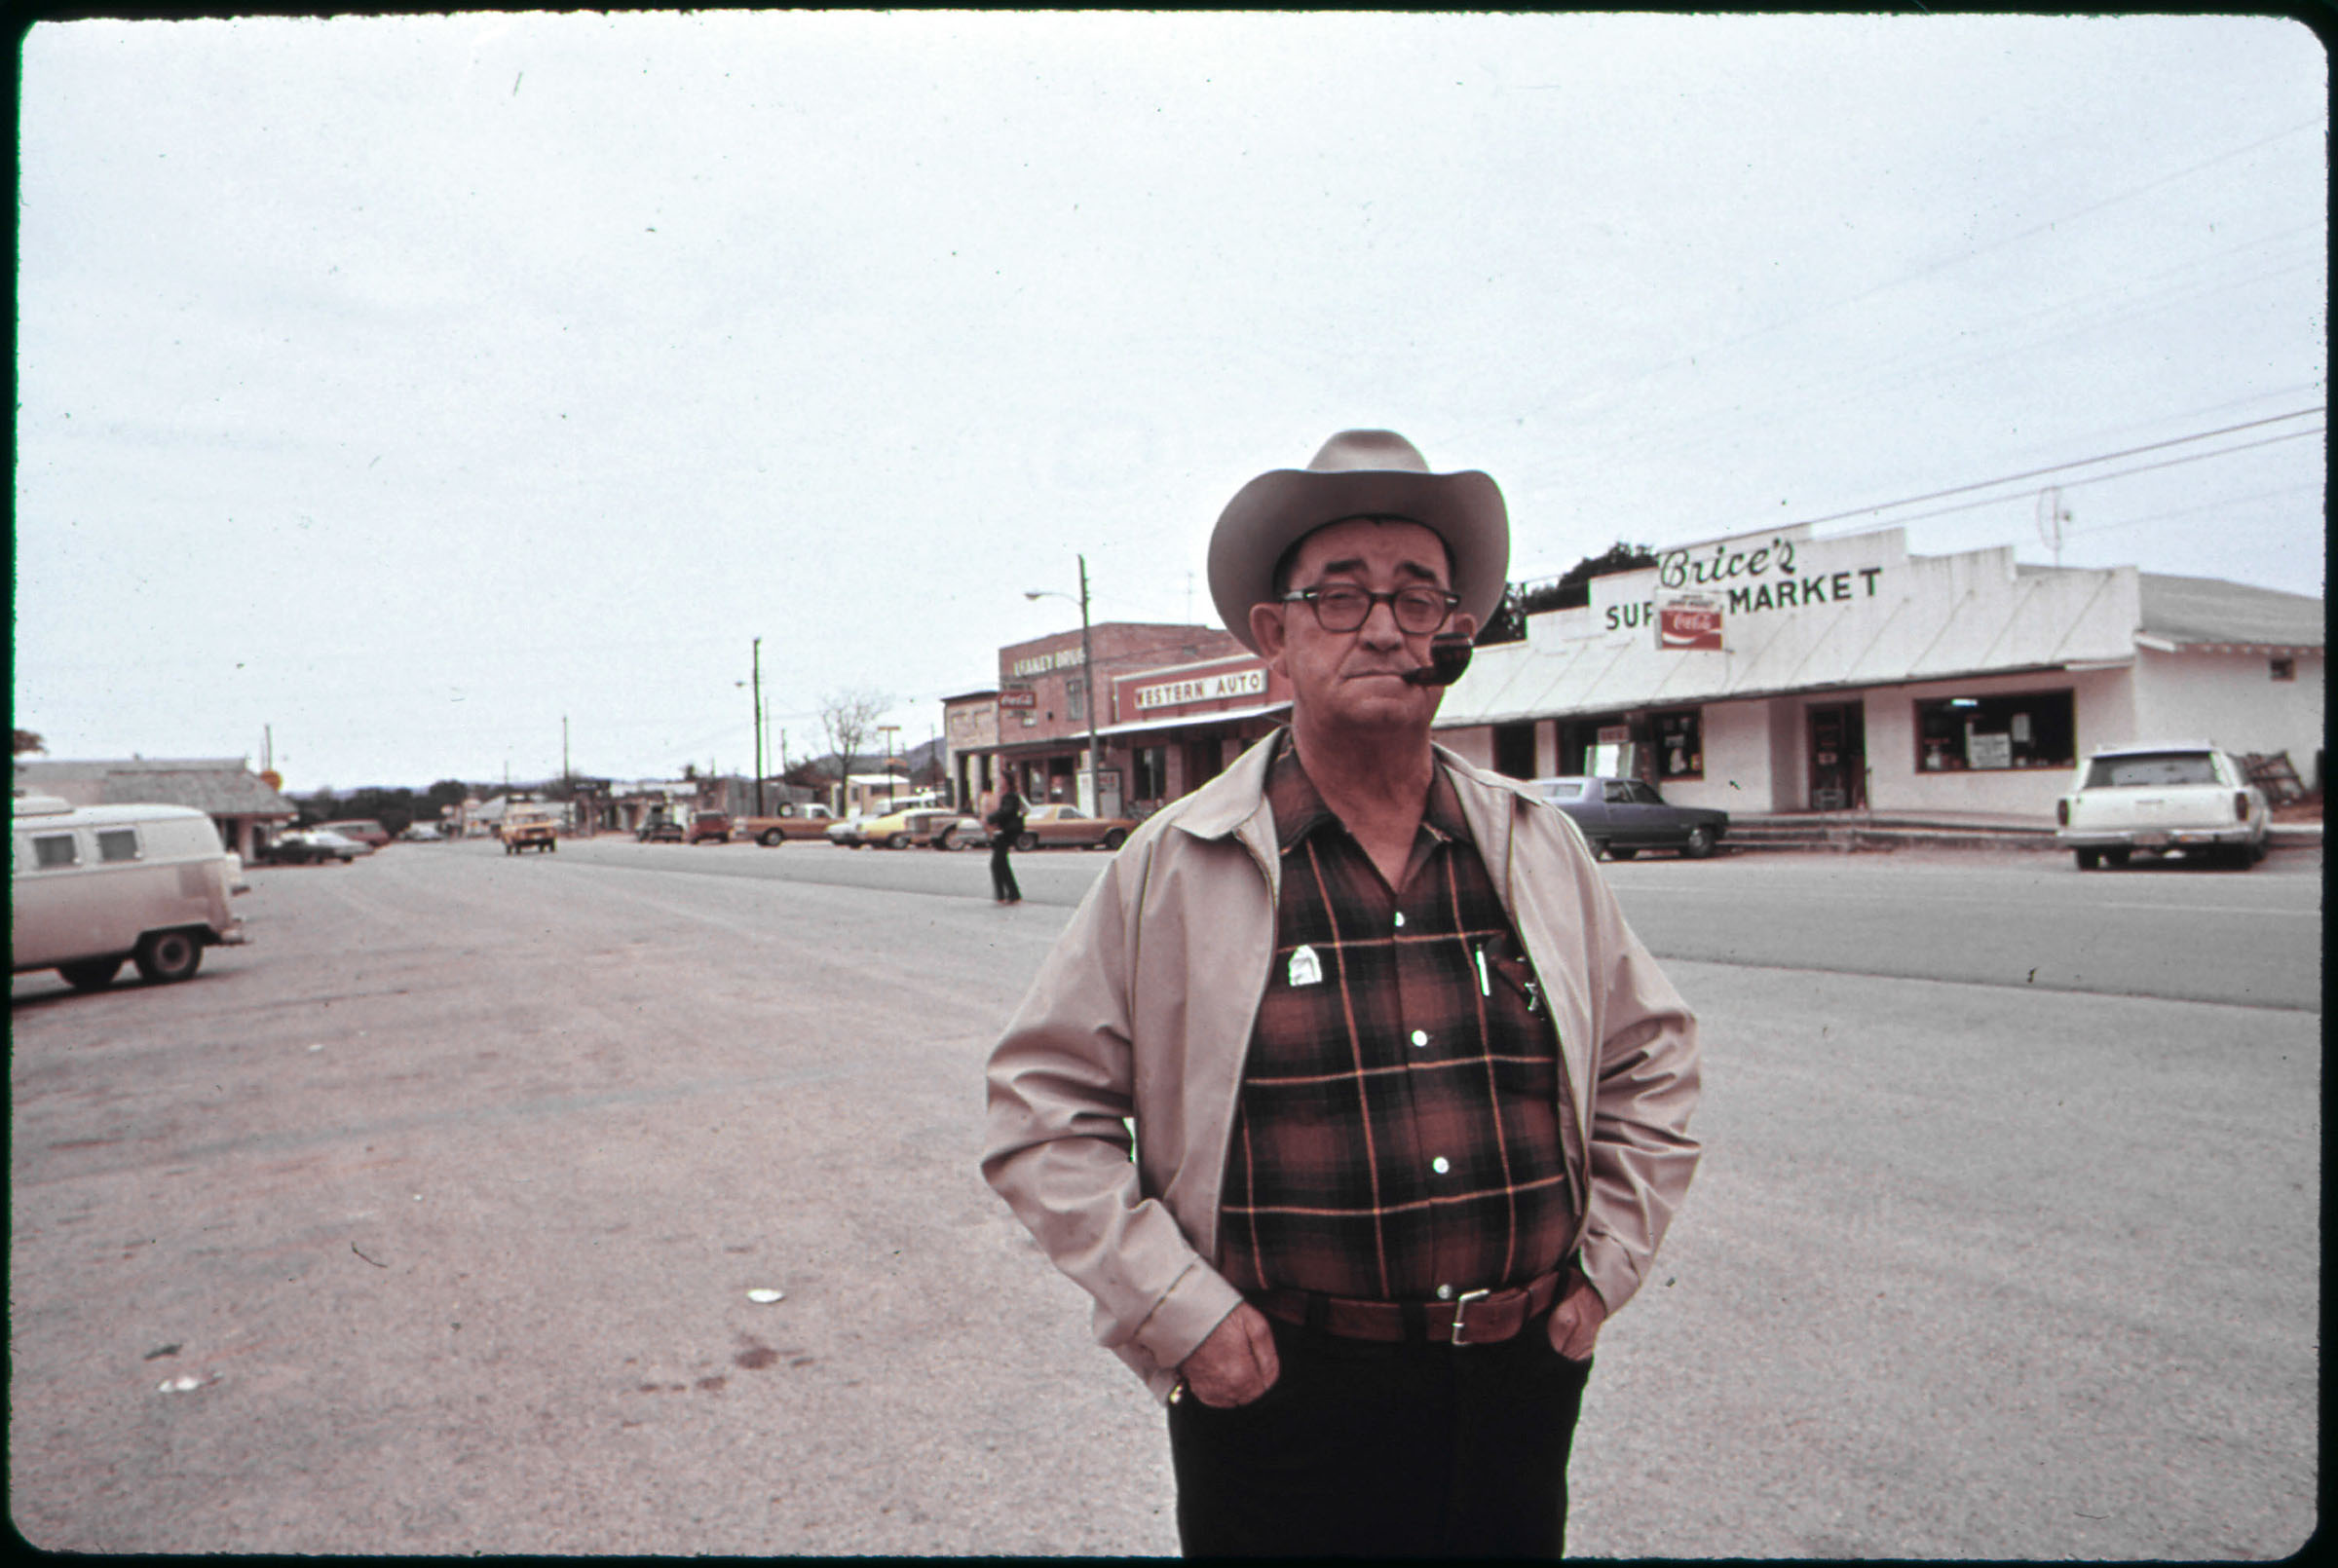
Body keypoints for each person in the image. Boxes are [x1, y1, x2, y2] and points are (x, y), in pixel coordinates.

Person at [982, 429, 1702, 1557]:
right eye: (1341, 595)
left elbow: (1653, 1060)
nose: (1382, 626)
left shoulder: (1536, 847)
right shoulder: (1176, 862)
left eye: (1418, 599)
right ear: (1276, 636)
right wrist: (1183, 1312)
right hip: (1274, 1398)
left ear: (1453, 634)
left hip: (1515, 1388)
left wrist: (1602, 1272)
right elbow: (1040, 1108)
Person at [987, 784, 1026, 904]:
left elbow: (1006, 812)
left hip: (1006, 833)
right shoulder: (1009, 796)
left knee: (997, 864)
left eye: (1001, 780)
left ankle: (1005, 895)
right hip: (1005, 832)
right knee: (1001, 864)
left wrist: (991, 818)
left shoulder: (1010, 797)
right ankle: (1007, 894)